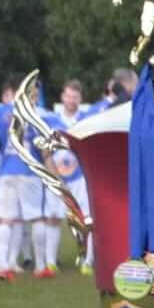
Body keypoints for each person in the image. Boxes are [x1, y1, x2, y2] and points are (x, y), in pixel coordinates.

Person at [0, 77, 36, 280]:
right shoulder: (32, 111)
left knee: (4, 218)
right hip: (28, 172)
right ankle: (13, 261)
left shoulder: (0, 112)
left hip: (5, 171)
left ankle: (2, 261)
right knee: (20, 219)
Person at [45, 80, 95, 273]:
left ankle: (87, 262)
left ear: (80, 99)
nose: (71, 100)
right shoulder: (51, 120)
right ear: (62, 97)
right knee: (53, 218)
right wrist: (53, 175)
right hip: (57, 177)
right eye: (68, 96)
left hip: (81, 177)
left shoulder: (88, 119)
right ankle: (50, 262)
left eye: (75, 96)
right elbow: (45, 150)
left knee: (86, 219)